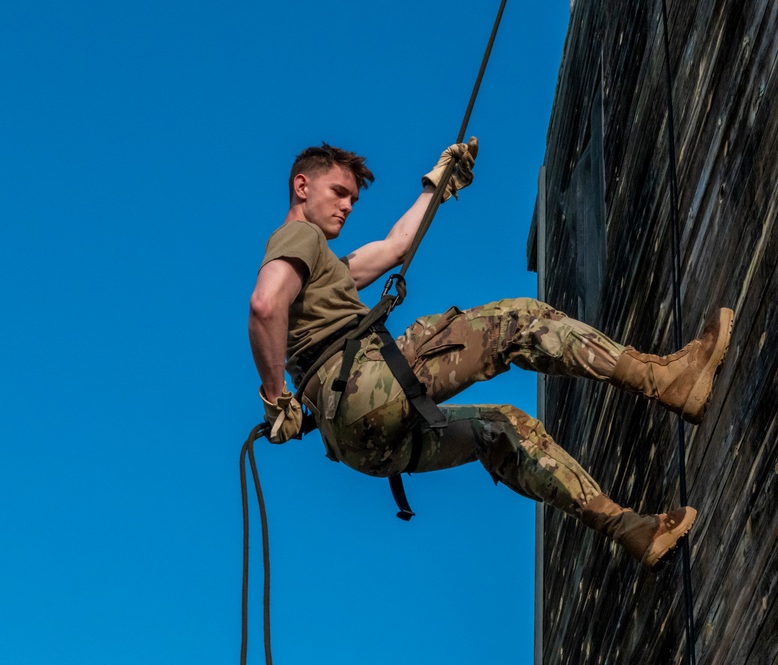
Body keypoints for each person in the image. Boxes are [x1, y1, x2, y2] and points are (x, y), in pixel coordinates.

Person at [248, 139, 733, 571]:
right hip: (366, 386)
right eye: (339, 192)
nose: (348, 206)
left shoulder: (326, 271)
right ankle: (666, 380)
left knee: (500, 429)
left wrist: (436, 187)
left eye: (354, 198)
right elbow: (265, 304)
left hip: (360, 446)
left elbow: (396, 248)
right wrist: (276, 398)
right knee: (518, 322)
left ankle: (630, 530)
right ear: (302, 185)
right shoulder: (300, 237)